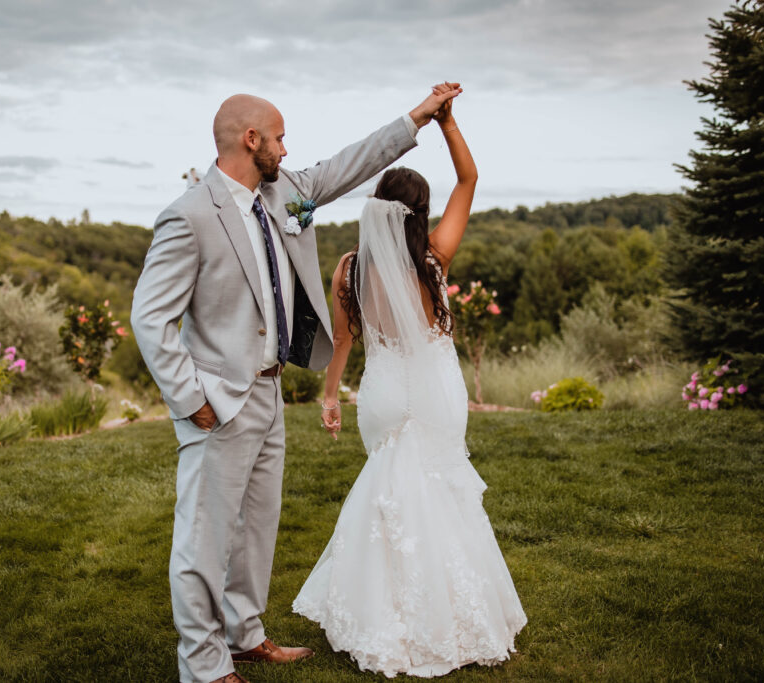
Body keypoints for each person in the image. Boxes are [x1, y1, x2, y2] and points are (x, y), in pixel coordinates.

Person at [131, 85, 462, 683]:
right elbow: (150, 318)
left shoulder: (286, 192)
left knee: (258, 523)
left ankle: (245, 634)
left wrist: (420, 115)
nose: (288, 148)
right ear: (250, 139)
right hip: (218, 399)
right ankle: (203, 665)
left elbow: (353, 161)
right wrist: (192, 400)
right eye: (279, 137)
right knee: (204, 538)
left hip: (270, 388)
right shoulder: (190, 215)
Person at [292, 85, 528, 678]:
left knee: (387, 491)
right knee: (443, 491)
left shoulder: (349, 268)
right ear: (419, 215)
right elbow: (468, 182)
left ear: (376, 205)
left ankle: (381, 614)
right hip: (437, 391)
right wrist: (448, 124)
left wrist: (329, 398)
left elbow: (343, 341)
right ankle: (454, 615)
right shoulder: (434, 260)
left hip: (384, 392)